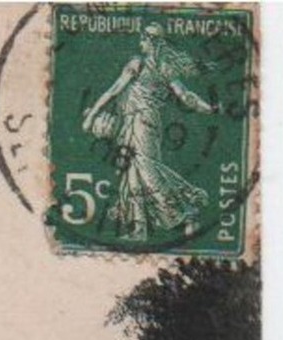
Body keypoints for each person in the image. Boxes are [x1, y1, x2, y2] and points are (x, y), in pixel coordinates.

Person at [81, 24, 216, 242]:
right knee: (133, 172)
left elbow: (114, 90)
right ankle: (140, 229)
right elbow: (186, 97)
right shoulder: (166, 68)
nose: (140, 42)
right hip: (147, 123)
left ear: (151, 41)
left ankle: (185, 211)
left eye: (143, 39)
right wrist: (208, 108)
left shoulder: (138, 63)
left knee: (145, 169)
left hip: (139, 122)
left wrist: (91, 115)